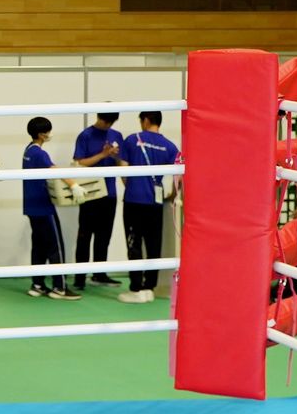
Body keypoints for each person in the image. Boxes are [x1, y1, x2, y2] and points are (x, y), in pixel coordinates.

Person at [118, 111, 180, 304]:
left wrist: (132, 186)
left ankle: (136, 288)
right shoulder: (170, 146)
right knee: (154, 244)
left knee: (134, 243)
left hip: (134, 200)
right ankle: (149, 288)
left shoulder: (131, 140)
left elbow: (122, 168)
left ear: (145, 121)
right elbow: (179, 176)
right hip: (156, 201)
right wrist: (172, 194)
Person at [21, 118, 77, 299]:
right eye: (47, 131)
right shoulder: (39, 153)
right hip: (44, 207)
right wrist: (74, 185)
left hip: (31, 207)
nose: (49, 134)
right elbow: (55, 170)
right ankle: (59, 287)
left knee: (38, 246)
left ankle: (37, 284)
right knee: (55, 246)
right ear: (41, 134)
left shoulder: (27, 151)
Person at [71, 112, 128, 286]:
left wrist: (115, 155)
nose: (107, 126)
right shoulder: (85, 135)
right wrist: (102, 155)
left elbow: (122, 162)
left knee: (104, 236)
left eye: (110, 123)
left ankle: (99, 273)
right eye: (105, 122)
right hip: (90, 193)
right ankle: (79, 278)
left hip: (109, 193)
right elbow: (79, 162)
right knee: (84, 236)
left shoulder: (117, 135)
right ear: (99, 118)